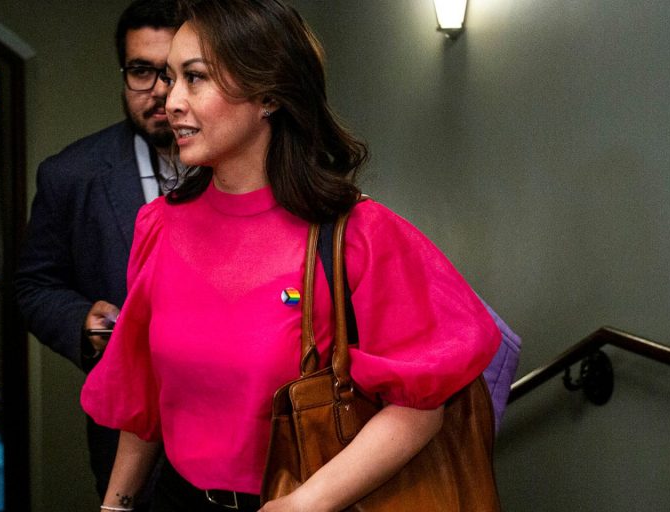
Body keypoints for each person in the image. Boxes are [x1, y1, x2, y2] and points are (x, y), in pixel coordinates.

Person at [81, 1, 501, 511]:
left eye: (195, 79)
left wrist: (306, 503)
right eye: (170, 79)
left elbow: (420, 404)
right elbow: (142, 394)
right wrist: (115, 506)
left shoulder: (359, 235)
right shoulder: (160, 228)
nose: (171, 101)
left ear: (268, 95)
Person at [13, 0, 180, 504]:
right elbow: (33, 285)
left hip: (243, 439)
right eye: (141, 72)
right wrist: (81, 322)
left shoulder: (244, 166)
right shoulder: (71, 174)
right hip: (127, 440)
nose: (158, 92)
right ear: (123, 73)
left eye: (173, 73)